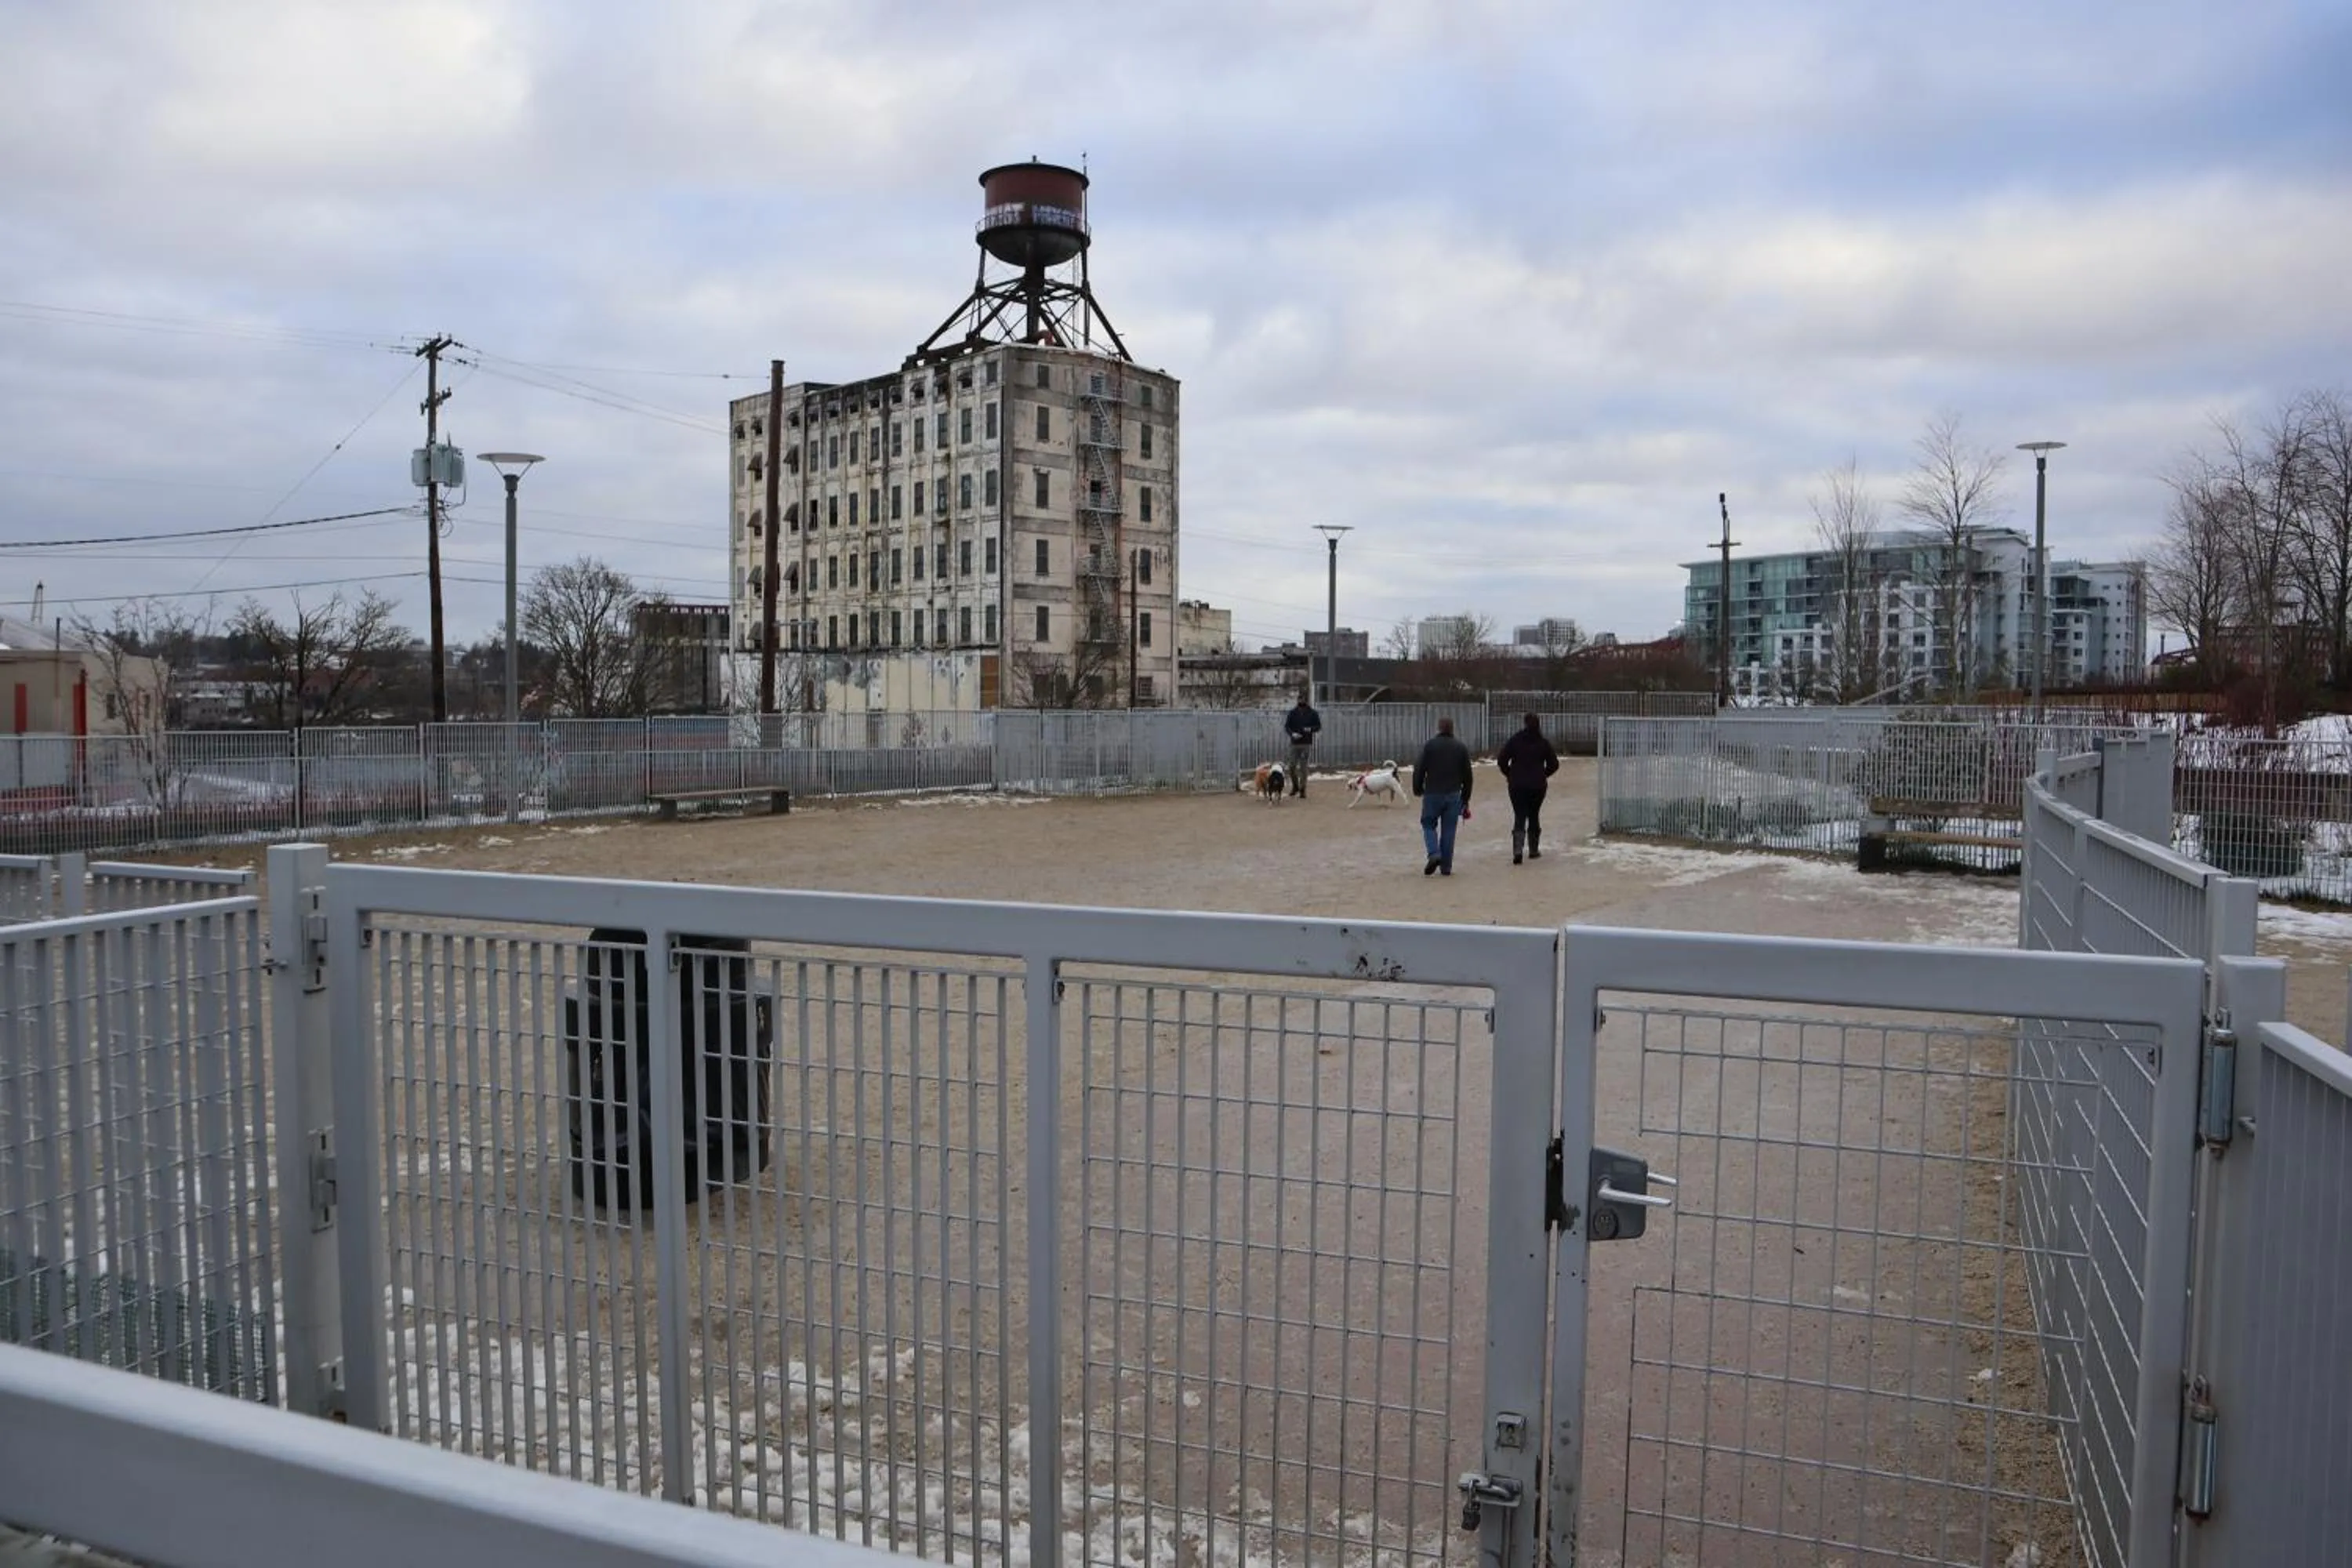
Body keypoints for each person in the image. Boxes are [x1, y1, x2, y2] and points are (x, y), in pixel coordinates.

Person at [1411, 714, 1475, 876]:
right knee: (1449, 830)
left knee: (1428, 824)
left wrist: (1417, 788)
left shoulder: (1430, 746)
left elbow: (1419, 769)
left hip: (1432, 792)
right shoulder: (1461, 748)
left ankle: (1434, 853)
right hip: (1454, 794)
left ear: (1439, 729)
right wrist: (1465, 798)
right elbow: (1468, 776)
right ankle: (1446, 867)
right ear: (1452, 729)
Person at [1495, 711, 1560, 865]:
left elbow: (1502, 760)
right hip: (1537, 786)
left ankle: (1518, 850)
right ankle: (1533, 849)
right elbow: (1554, 764)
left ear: (1525, 723)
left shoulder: (1516, 740)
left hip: (1517, 785)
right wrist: (1543, 774)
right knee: (1534, 814)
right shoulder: (1543, 743)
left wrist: (1510, 774)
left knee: (1519, 815)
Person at [1283, 691, 1322, 798]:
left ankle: (1302, 789)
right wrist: (1292, 734)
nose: (1301, 701)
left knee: (1303, 768)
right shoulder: (1292, 713)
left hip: (1306, 743)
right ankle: (1295, 786)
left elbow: (1318, 727)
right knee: (1291, 766)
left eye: (1303, 699)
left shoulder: (1312, 713)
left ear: (1306, 700)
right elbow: (1287, 726)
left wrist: (1310, 729)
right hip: (1294, 743)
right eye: (1299, 699)